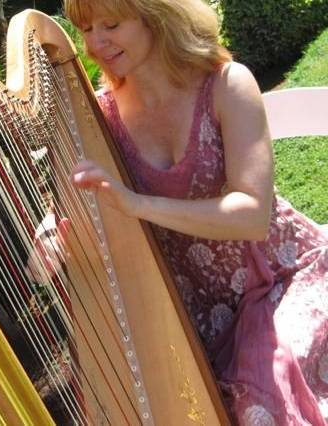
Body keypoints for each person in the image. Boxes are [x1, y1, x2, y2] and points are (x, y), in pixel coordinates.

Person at [51, 0, 328, 424]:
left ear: (156, 16)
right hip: (196, 315)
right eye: (86, 29)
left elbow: (252, 215)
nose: (94, 43)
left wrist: (139, 203)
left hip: (281, 279)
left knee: (262, 395)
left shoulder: (226, 84)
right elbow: (97, 212)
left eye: (111, 24)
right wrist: (58, 236)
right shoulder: (101, 122)